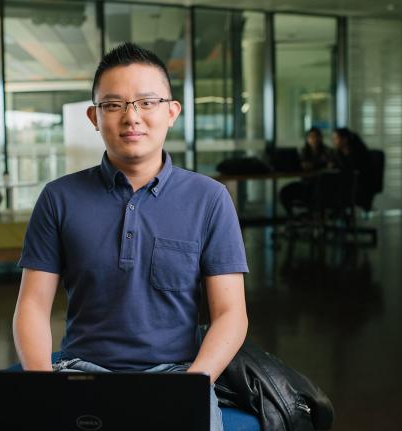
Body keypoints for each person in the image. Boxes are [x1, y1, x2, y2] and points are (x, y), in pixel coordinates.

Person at [13, 43, 249, 431]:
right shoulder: (59, 197)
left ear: (172, 112)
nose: (131, 117)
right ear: (94, 116)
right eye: (113, 105)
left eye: (146, 102)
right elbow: (33, 306)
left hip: (178, 373)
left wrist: (194, 382)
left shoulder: (209, 199)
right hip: (81, 370)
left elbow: (231, 315)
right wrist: (45, 387)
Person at [279, 127, 334, 217]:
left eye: (316, 137)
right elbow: (299, 165)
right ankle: (292, 217)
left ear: (321, 138)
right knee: (284, 192)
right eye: (311, 137)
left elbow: (329, 166)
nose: (314, 140)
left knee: (311, 194)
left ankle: (312, 217)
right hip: (306, 183)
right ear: (307, 139)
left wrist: (315, 165)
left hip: (322, 186)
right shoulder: (303, 152)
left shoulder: (328, 151)